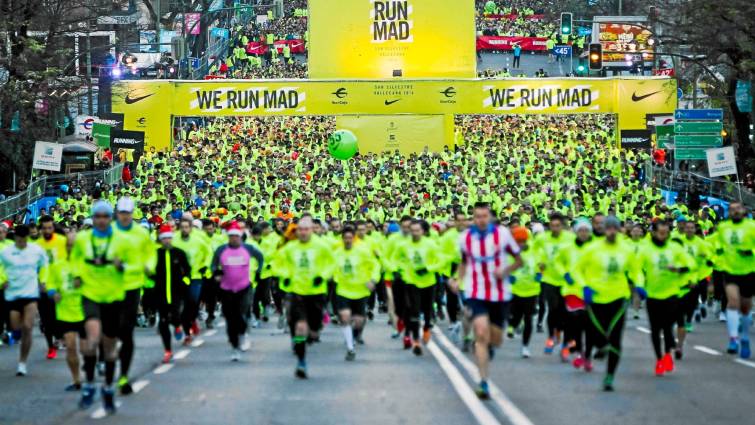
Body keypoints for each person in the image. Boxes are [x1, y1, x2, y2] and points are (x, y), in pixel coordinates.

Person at [452, 202, 522, 399]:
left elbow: (519, 260)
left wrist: (505, 270)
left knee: (496, 339)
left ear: (490, 217)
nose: (481, 220)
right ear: (473, 218)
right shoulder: (465, 237)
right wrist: (458, 279)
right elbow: (464, 262)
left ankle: (489, 347)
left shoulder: (503, 235)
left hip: (500, 292)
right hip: (476, 291)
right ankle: (483, 382)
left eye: (484, 216)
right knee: (481, 333)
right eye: (477, 216)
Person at [71, 200, 128, 413]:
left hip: (113, 296)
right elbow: (75, 261)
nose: (102, 220)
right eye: (98, 216)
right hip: (90, 295)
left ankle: (108, 387)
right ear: (93, 219)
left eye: (106, 216)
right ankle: (89, 385)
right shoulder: (83, 239)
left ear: (110, 218)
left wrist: (120, 265)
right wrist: (77, 275)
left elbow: (131, 263)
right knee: (92, 340)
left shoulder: (120, 240)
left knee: (110, 347)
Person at [575, 216, 636, 391]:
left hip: (619, 298)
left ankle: (609, 376)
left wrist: (638, 284)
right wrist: (584, 286)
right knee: (597, 335)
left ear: (619, 230)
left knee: (616, 339)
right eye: (607, 228)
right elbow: (577, 270)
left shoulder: (626, 250)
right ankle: (601, 346)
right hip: (596, 298)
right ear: (603, 230)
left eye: (614, 228)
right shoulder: (592, 248)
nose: (610, 231)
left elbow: (636, 271)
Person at [276, 216, 334, 378]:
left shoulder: (322, 247)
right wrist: (285, 275)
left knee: (313, 331)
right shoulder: (290, 248)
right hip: (296, 292)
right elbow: (278, 264)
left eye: (306, 229)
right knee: (300, 327)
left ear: (312, 230)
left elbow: (332, 264)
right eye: (300, 229)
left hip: (316, 292)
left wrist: (322, 275)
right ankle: (301, 361)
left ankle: (310, 333)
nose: (303, 232)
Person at [635, 221, 694, 376]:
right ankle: (659, 359)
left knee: (667, 326)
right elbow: (637, 270)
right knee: (655, 329)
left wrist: (679, 269)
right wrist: (640, 285)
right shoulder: (645, 249)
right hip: (652, 294)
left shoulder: (674, 248)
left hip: (671, 293)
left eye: (666, 233)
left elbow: (690, 263)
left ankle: (667, 354)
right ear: (654, 232)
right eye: (661, 232)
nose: (664, 235)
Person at [113, 197, 155, 395]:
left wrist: (148, 267)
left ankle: (123, 376)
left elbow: (150, 255)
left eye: (127, 213)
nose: (124, 216)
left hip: (132, 286)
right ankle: (106, 361)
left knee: (126, 331)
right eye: (121, 213)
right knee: (109, 331)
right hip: (109, 288)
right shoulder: (108, 233)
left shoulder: (141, 234)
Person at [211, 221, 263, 361]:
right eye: (231, 236)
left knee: (242, 314)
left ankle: (243, 333)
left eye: (236, 236)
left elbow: (260, 258)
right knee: (230, 319)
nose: (234, 238)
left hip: (244, 287)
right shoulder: (221, 249)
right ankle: (234, 346)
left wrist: (259, 271)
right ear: (228, 237)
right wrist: (216, 273)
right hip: (226, 289)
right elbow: (213, 264)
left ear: (241, 237)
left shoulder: (248, 248)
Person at [0, 224, 48, 376]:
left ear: (28, 237)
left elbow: (45, 266)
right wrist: (3, 280)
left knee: (27, 326)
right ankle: (13, 334)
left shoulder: (36, 250)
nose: (22, 243)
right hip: (13, 294)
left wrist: (43, 281)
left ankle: (22, 362)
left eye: (24, 240)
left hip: (30, 293)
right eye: (19, 240)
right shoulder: (6, 252)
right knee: (16, 326)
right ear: (15, 238)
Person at [711, 202, 755, 358]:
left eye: (738, 209)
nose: (735, 211)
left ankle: (744, 337)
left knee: (745, 308)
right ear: (729, 212)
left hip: (749, 271)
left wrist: (750, 251)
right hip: (729, 271)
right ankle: (733, 339)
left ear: (744, 211)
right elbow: (717, 246)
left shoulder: (752, 226)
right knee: (733, 302)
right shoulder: (723, 228)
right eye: (732, 209)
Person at [394, 219, 441, 355]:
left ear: (423, 231)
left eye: (417, 230)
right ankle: (416, 341)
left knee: (427, 311)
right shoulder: (403, 245)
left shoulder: (430, 244)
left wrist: (428, 268)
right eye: (412, 230)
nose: (414, 233)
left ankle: (426, 328)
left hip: (428, 282)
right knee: (413, 311)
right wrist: (400, 270)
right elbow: (396, 260)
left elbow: (440, 261)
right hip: (411, 282)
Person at [333, 226, 379, 360]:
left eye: (350, 238)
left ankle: (353, 336)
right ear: (342, 239)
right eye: (345, 238)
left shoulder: (363, 252)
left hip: (360, 290)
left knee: (359, 321)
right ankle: (350, 348)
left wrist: (373, 280)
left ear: (354, 238)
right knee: (345, 317)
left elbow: (375, 265)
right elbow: (329, 267)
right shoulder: (337, 253)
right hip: (343, 290)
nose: (347, 240)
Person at [47, 232, 85, 390]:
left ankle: (92, 370)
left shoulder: (86, 264)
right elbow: (50, 284)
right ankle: (76, 380)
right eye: (68, 245)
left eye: (74, 245)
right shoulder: (57, 265)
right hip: (65, 311)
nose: (71, 248)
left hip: (85, 311)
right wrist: (53, 293)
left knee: (87, 349)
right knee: (71, 347)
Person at [533, 213, 574, 357]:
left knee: (565, 312)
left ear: (562, 226)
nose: (555, 228)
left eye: (558, 226)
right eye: (552, 226)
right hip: (549, 279)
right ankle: (551, 337)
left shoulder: (570, 238)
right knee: (552, 309)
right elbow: (534, 250)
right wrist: (539, 263)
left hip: (566, 280)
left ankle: (564, 340)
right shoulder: (542, 238)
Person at [555, 218, 593, 368]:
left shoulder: (594, 248)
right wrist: (564, 273)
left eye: (586, 230)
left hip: (589, 290)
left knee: (586, 325)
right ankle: (568, 347)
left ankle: (582, 354)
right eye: (581, 230)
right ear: (576, 232)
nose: (583, 233)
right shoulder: (567, 248)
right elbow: (557, 262)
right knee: (573, 322)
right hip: (572, 290)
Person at [152, 224, 191, 364]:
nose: (167, 241)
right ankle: (167, 350)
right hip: (160, 293)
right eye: (164, 238)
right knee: (163, 322)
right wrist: (151, 286)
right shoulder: (155, 254)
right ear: (160, 240)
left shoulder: (179, 253)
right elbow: (150, 273)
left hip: (176, 292)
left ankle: (178, 326)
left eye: (169, 238)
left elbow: (187, 269)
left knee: (175, 315)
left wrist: (185, 281)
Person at [172, 217, 213, 346]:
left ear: (190, 228)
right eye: (182, 227)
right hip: (179, 278)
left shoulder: (198, 239)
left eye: (187, 227)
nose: (184, 229)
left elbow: (209, 253)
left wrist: (205, 266)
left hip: (195, 276)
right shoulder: (174, 239)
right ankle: (187, 332)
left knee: (193, 302)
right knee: (177, 306)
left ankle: (192, 320)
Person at [36, 215, 67, 360]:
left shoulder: (61, 241)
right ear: (40, 229)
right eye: (44, 228)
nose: (47, 230)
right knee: (46, 320)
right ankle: (50, 346)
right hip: (43, 286)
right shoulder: (36, 245)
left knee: (58, 317)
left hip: (60, 285)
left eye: (50, 228)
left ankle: (60, 336)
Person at [507, 225, 539, 358]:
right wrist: (509, 276)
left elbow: (541, 263)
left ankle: (525, 346)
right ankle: (512, 326)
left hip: (531, 290)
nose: (521, 244)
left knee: (528, 319)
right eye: (518, 241)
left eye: (523, 241)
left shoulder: (534, 252)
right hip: (515, 290)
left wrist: (539, 273)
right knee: (516, 316)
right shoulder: (510, 254)